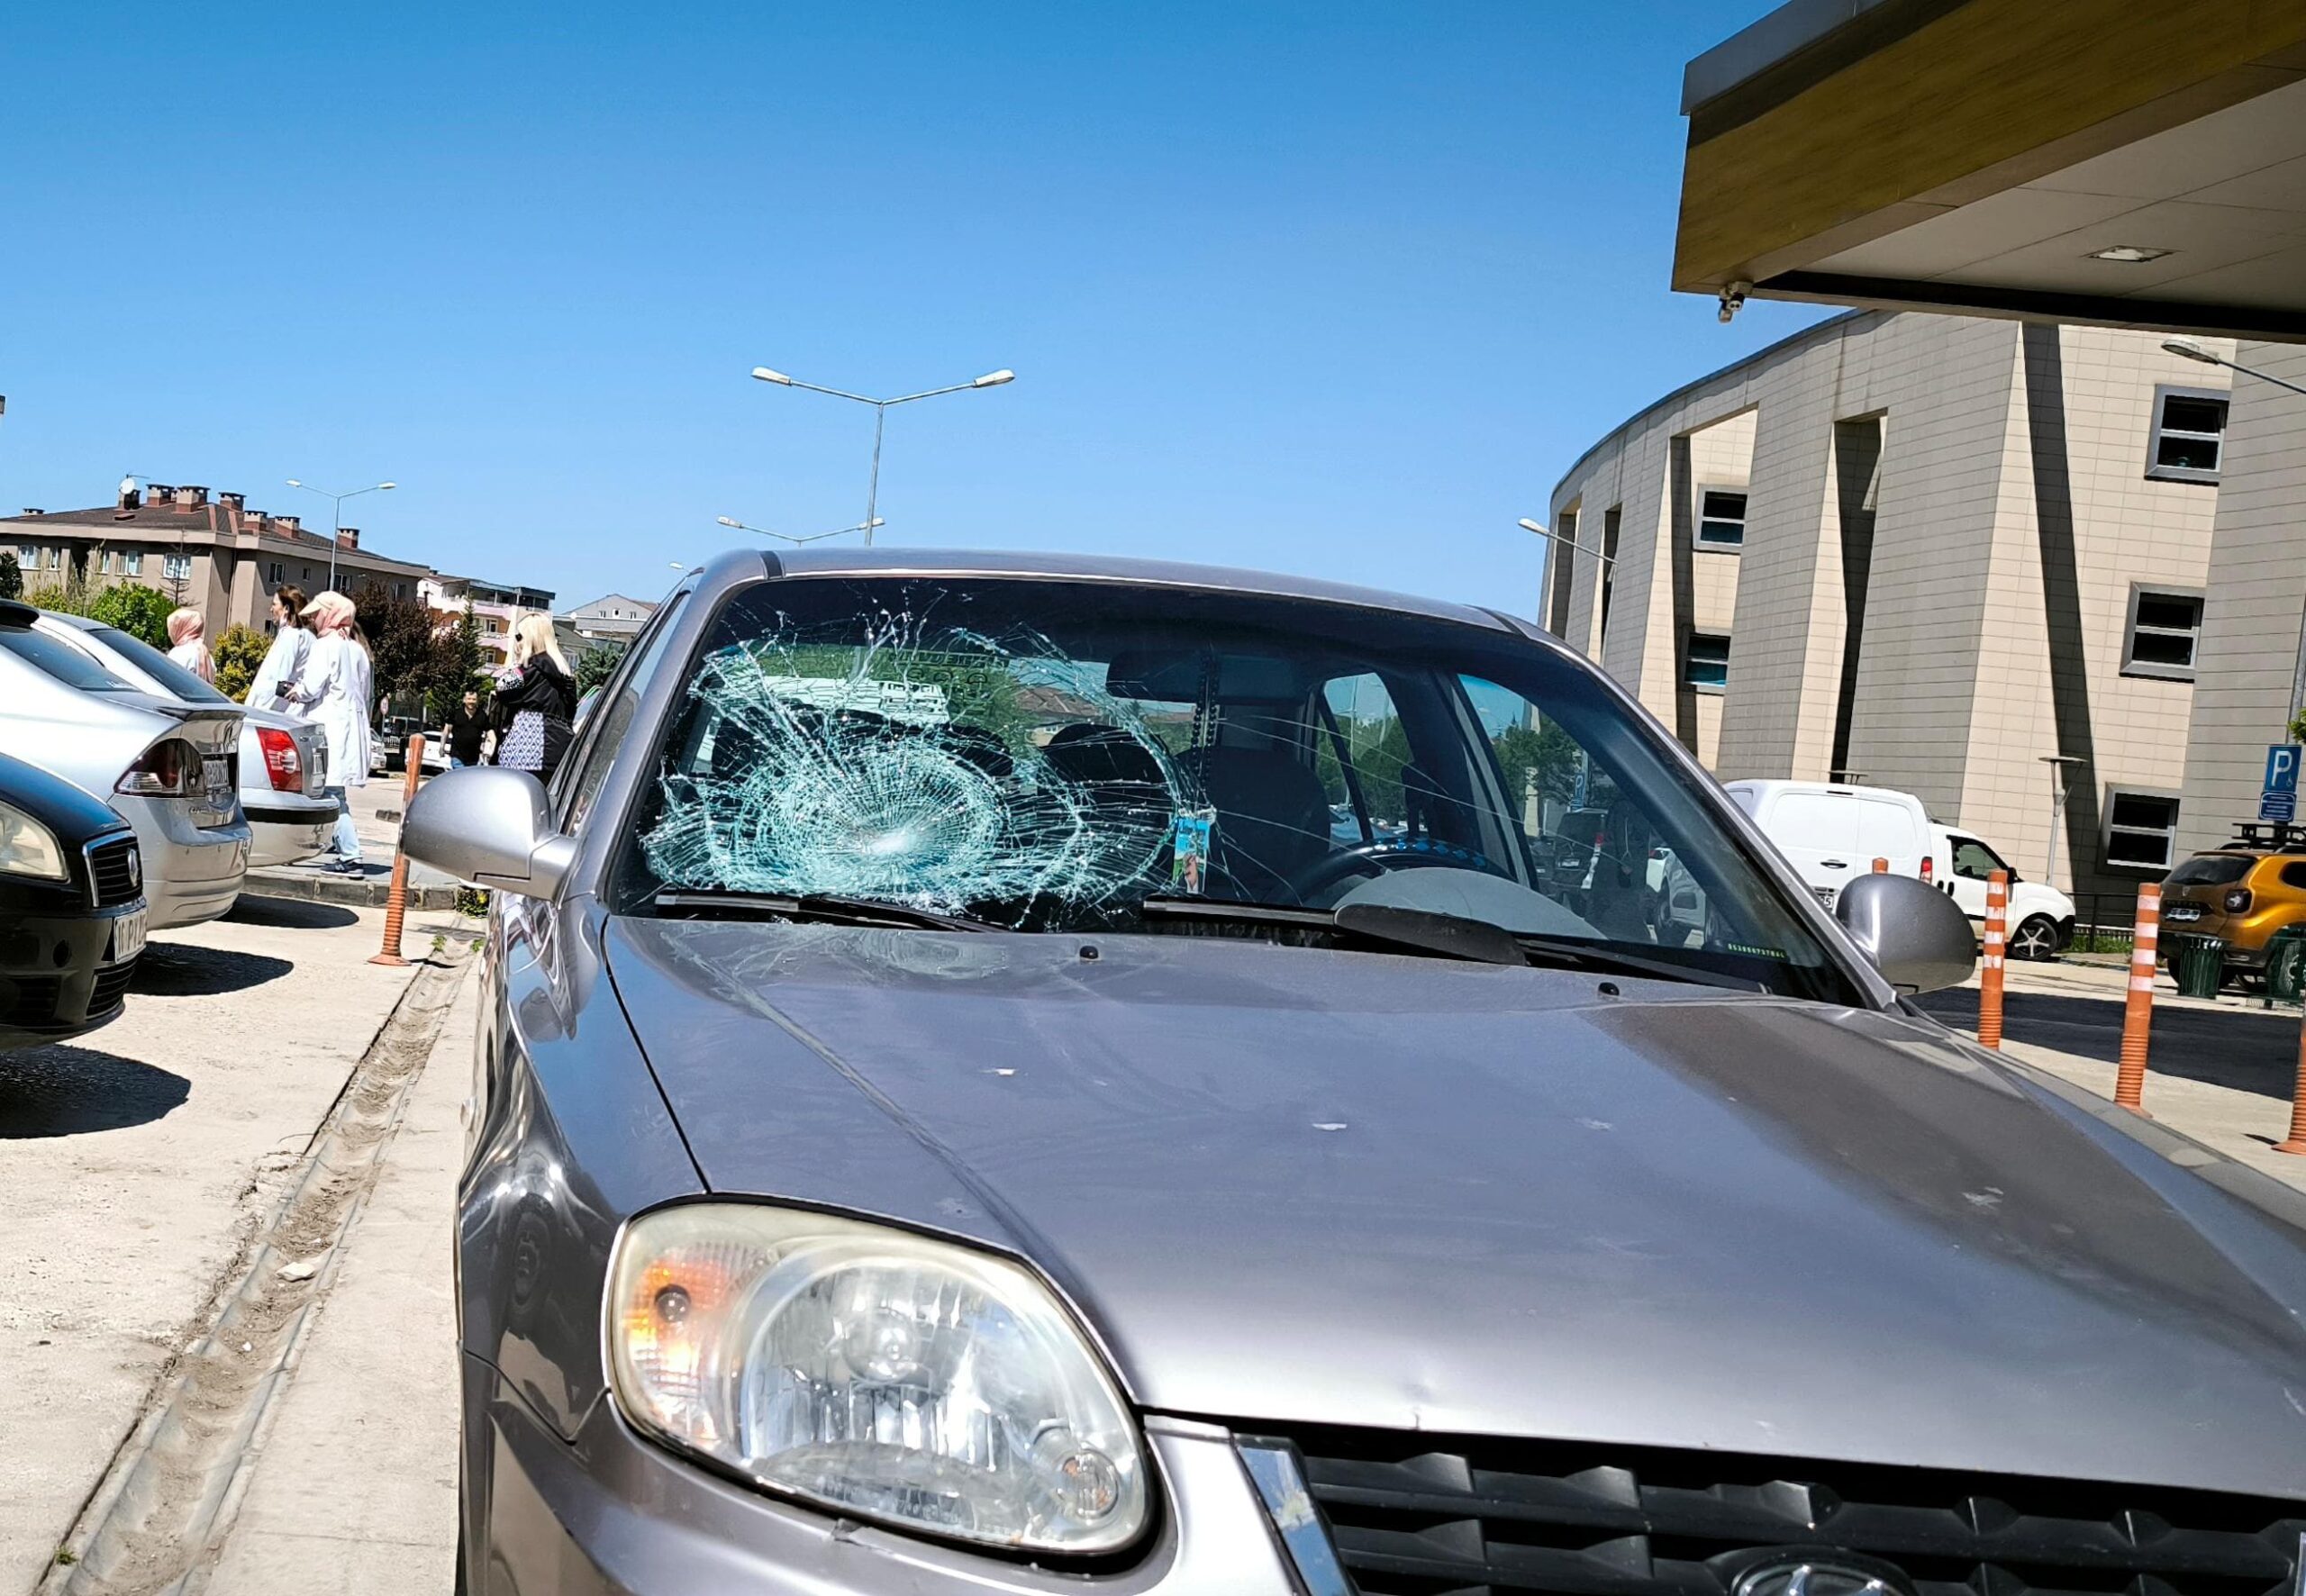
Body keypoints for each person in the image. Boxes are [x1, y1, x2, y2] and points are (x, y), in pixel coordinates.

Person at [287, 591, 375, 874]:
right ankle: (337, 845)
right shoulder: (357, 650)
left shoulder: (325, 646)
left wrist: (295, 691)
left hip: (330, 729)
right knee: (334, 792)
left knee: (329, 794)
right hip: (351, 727)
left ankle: (350, 855)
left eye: (316, 614)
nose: (313, 620)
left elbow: (311, 687)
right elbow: (363, 693)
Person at [492, 613, 577, 783]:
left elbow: (501, 687)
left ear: (531, 639)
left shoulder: (528, 671)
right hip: (559, 750)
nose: (516, 642)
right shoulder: (567, 677)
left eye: (518, 637)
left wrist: (517, 665)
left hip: (526, 747)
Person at [247, 585, 311, 713]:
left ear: (286, 609)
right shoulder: (303, 636)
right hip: (288, 712)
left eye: (275, 605)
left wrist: (259, 712)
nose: (271, 609)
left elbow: (279, 681)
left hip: (276, 713)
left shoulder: (290, 636)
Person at [165, 607, 215, 684]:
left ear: (181, 628)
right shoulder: (206, 654)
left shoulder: (180, 653)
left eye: (172, 628)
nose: (169, 634)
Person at [445, 689, 489, 769]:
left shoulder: (482, 716)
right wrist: (442, 747)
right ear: (464, 700)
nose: (471, 701)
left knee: (468, 779)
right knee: (460, 776)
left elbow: (491, 733)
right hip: (457, 755)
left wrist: (491, 749)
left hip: (473, 758)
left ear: (477, 701)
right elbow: (446, 731)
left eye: (474, 699)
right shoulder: (456, 714)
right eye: (469, 699)